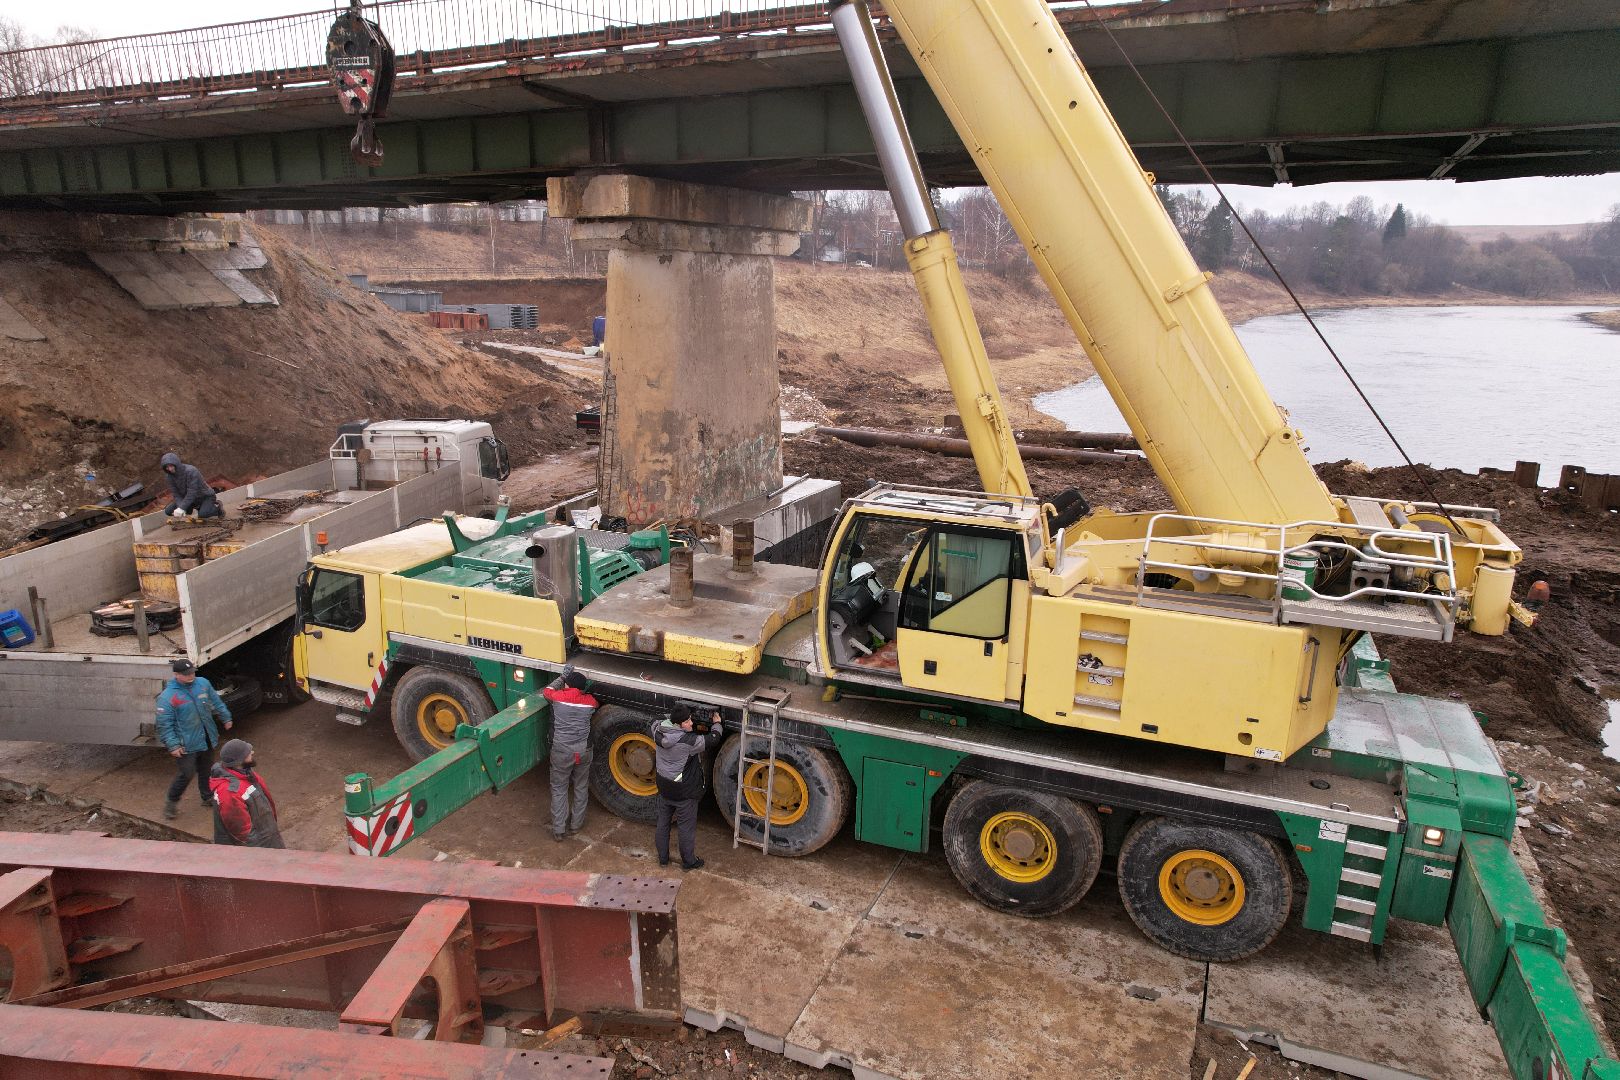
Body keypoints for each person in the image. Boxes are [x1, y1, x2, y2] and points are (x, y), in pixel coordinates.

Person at [156, 658, 232, 820]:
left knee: (206, 769)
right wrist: (173, 745)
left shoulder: (202, 683)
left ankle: (207, 796)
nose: (190, 676)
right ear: (176, 675)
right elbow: (164, 724)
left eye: (192, 672)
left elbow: (215, 701)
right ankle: (171, 802)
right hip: (186, 744)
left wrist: (225, 717)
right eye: (186, 674)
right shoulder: (168, 697)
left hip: (206, 738)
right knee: (187, 773)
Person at [653, 703, 725, 871]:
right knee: (686, 828)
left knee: (663, 823)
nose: (691, 724)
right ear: (678, 724)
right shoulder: (689, 741)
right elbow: (712, 739)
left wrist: (674, 715)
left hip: (664, 786)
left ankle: (663, 859)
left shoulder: (657, 730)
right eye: (687, 721)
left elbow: (655, 718)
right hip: (683, 791)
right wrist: (717, 724)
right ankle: (689, 861)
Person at [542, 665, 597, 841]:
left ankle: (559, 829)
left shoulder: (558, 697)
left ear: (568, 684)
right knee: (580, 786)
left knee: (559, 788)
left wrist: (562, 677)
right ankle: (575, 825)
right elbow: (594, 702)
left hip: (561, 750)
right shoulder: (590, 702)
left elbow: (547, 691)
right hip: (583, 751)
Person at [208, 739, 285, 848]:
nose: (252, 752)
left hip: (267, 837)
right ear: (238, 761)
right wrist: (264, 850)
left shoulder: (245, 773)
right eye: (248, 752)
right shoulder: (230, 792)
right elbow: (243, 833)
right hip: (260, 847)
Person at [160, 451, 222, 520]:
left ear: (176, 463)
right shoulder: (169, 477)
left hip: (205, 496)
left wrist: (182, 508)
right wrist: (180, 507)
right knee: (168, 511)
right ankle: (198, 507)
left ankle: (218, 509)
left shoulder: (191, 471)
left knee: (203, 514)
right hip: (190, 499)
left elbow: (192, 492)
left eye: (171, 466)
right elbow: (176, 494)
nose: (170, 469)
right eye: (167, 467)